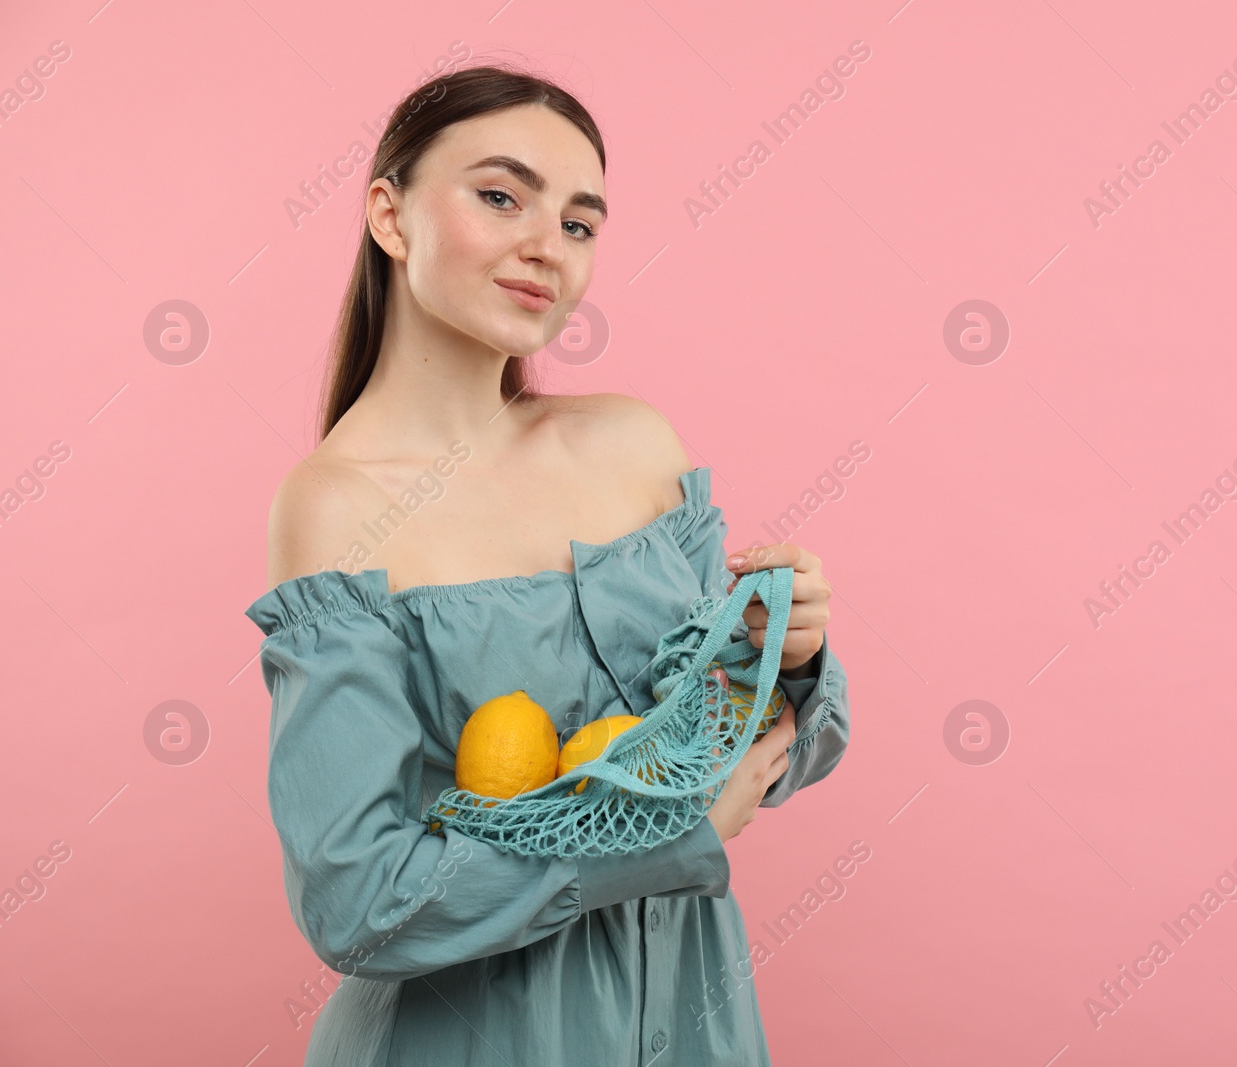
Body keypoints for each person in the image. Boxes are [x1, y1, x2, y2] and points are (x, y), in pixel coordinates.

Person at [242, 64, 851, 1065]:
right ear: (389, 216)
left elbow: (768, 760)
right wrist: (666, 845)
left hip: (698, 1020)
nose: (547, 248)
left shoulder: (633, 443)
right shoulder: (334, 507)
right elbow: (357, 902)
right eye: (499, 196)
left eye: (579, 222)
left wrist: (784, 651)